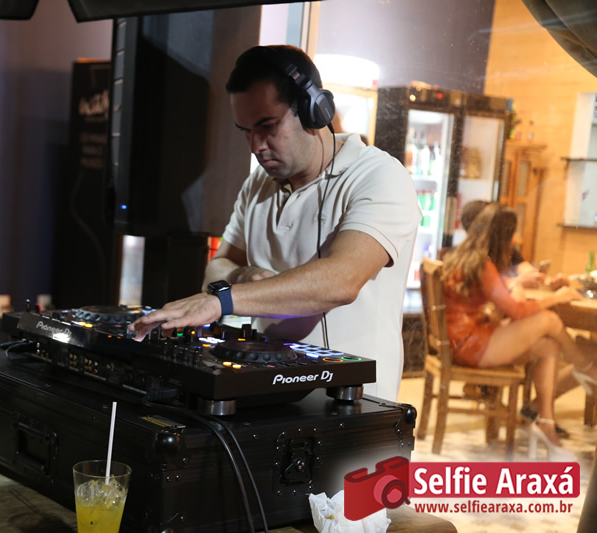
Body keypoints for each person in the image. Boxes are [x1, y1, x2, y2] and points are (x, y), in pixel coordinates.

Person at [129, 45, 421, 401]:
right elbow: (217, 269)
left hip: (352, 402)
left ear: (314, 110)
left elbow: (342, 281)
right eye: (246, 131)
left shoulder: (379, 176)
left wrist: (221, 301)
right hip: (269, 389)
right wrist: (241, 276)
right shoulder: (258, 183)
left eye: (268, 126)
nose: (256, 145)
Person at [441, 203, 597, 460]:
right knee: (549, 320)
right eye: (513, 232)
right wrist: (557, 297)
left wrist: (515, 286)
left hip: (467, 339)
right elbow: (515, 310)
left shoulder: (470, 257)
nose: (515, 238)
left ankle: (545, 422)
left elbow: (505, 302)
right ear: (503, 234)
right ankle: (584, 365)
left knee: (549, 346)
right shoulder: (483, 264)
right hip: (470, 345)